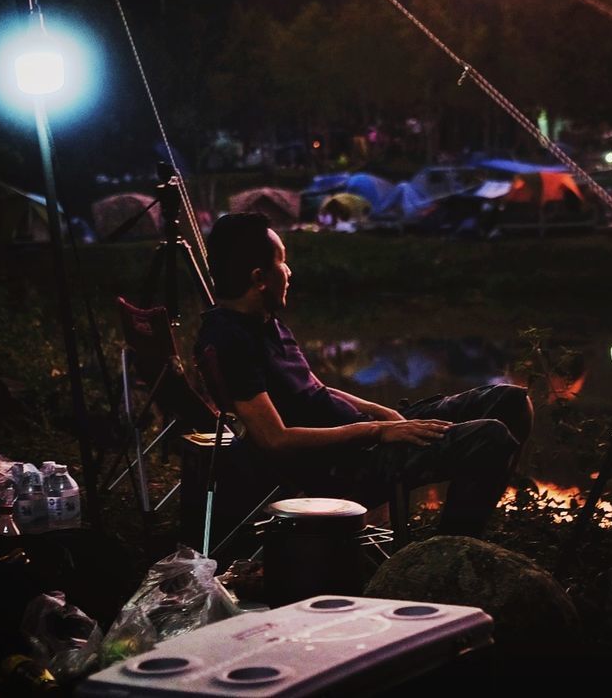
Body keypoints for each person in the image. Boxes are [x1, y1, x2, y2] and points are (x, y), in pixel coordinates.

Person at [194, 212, 532, 538]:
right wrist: (376, 431)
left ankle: (450, 540)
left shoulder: (266, 322)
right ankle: (448, 551)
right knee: (490, 439)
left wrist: (382, 414)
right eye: (282, 261)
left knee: (510, 400)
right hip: (345, 467)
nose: (290, 271)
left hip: (366, 437)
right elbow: (274, 439)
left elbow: (316, 389)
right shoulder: (229, 340)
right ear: (259, 278)